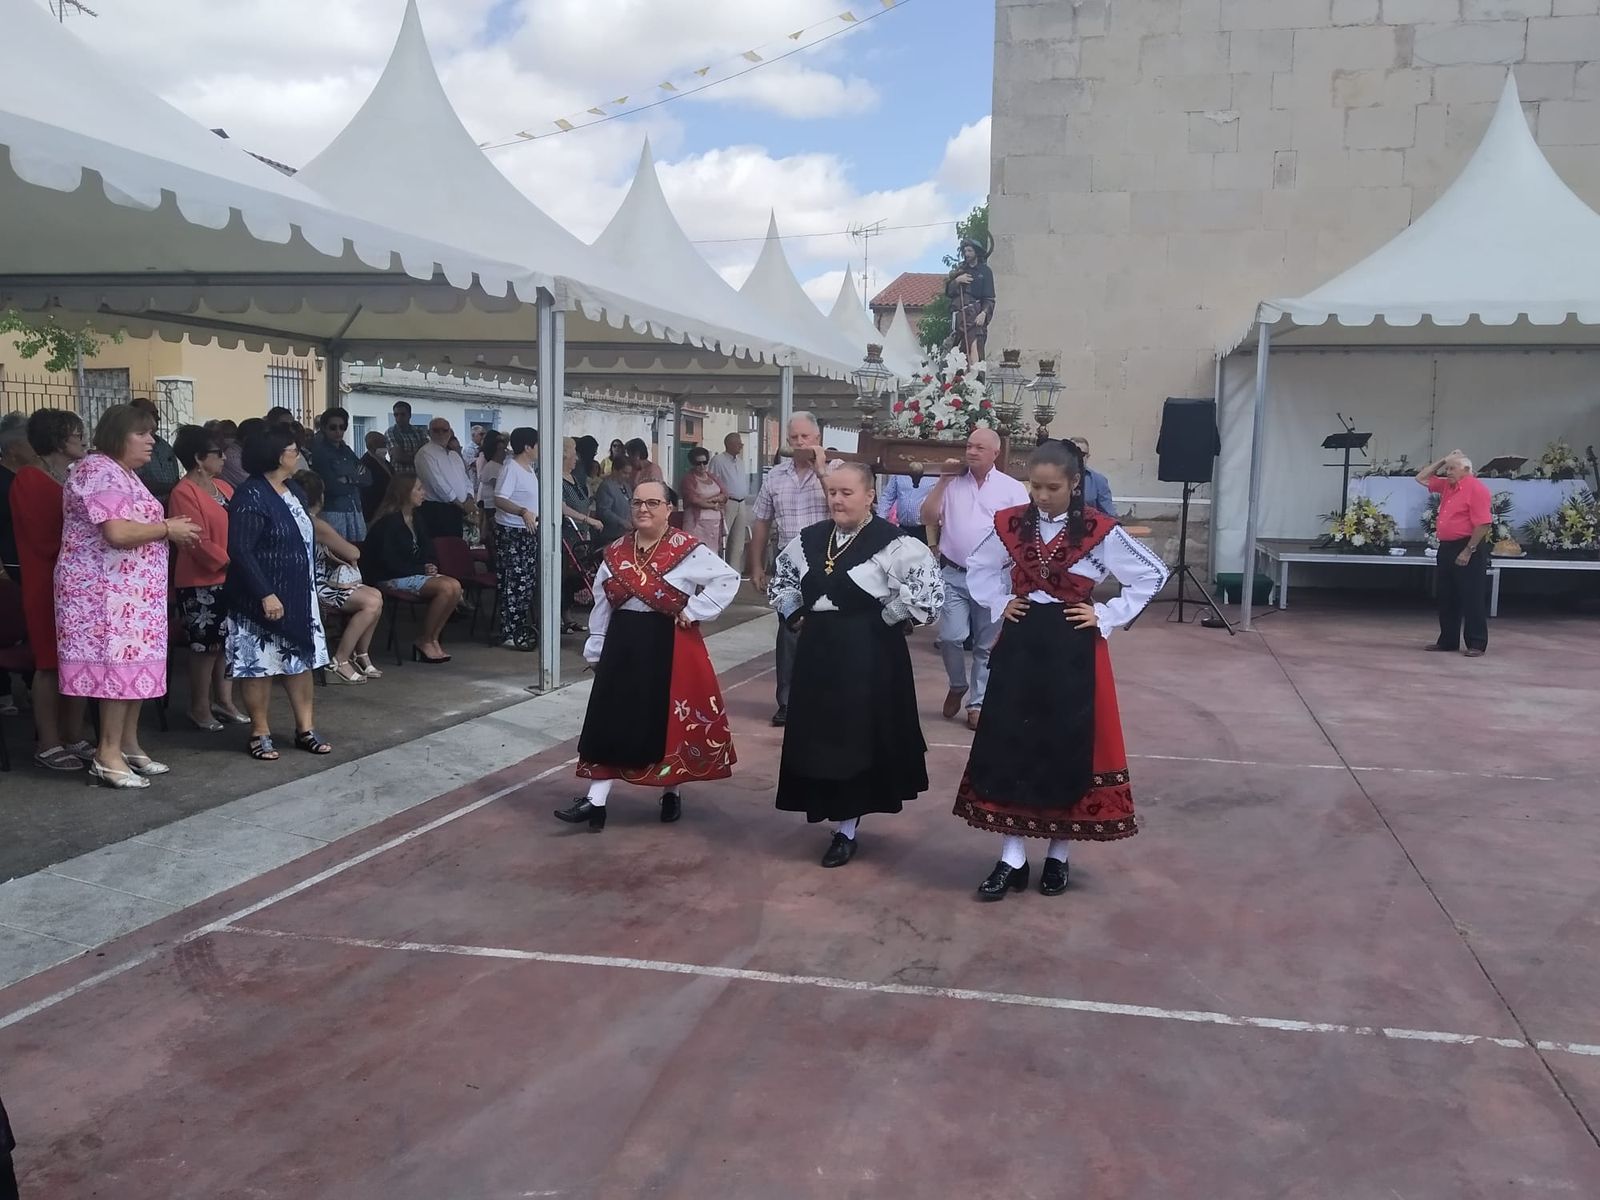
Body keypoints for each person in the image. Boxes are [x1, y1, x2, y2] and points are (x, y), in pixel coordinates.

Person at [952, 439, 1168, 900]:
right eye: (1035, 486)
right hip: (1023, 640)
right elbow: (980, 566)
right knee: (1015, 740)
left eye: (1053, 487)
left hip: (1073, 645)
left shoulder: (1099, 529)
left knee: (1066, 742)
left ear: (1075, 483)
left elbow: (1151, 573)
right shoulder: (1011, 524)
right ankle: (1011, 857)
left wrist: (1105, 615)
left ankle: (1058, 855)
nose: (1042, 495)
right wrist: (999, 602)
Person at [769, 462, 944, 867]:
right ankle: (827, 805)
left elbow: (927, 594)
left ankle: (847, 828)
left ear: (869, 496)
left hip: (869, 653)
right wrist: (794, 613)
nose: (837, 499)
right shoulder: (810, 539)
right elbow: (783, 580)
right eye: (832, 492)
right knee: (820, 731)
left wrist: (885, 618)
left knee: (855, 734)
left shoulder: (892, 542)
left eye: (847, 493)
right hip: (819, 651)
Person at [555, 480, 741, 831]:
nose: (643, 509)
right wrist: (596, 645)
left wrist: (696, 609)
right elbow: (602, 602)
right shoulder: (616, 551)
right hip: (623, 641)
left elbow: (727, 578)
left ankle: (671, 790)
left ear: (669, 508)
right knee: (610, 718)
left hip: (669, 642)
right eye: (638, 503)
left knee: (667, 718)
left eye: (653, 503)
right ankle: (596, 801)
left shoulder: (686, 548)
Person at [57, 404, 201, 789]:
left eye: (152, 432)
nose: (152, 440)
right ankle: (107, 754)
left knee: (135, 668)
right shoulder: (99, 470)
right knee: (116, 671)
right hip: (105, 596)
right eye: (142, 433)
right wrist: (167, 528)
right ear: (118, 435)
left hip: (132, 596)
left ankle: (127, 745)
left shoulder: (125, 474)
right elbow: (118, 533)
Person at [222, 428, 333, 761]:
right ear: (274, 455)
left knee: (299, 661)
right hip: (260, 598)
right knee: (259, 666)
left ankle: (305, 728)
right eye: (291, 449)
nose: (296, 454)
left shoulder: (293, 490)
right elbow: (241, 549)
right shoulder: (251, 494)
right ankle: (259, 731)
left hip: (298, 593)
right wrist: (266, 593)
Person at [919, 427, 1030, 731]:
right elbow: (926, 516)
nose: (972, 452)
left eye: (980, 447)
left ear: (996, 453)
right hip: (954, 572)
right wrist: (942, 480)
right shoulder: (952, 484)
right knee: (951, 637)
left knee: (985, 646)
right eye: (969, 446)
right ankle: (957, 684)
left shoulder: (1011, 488)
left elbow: (1025, 531)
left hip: (994, 578)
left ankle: (977, 703)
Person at [11, 409, 92, 769]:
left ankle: (73, 734)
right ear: (60, 440)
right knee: (48, 664)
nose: (83, 440)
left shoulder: (68, 475)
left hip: (75, 581)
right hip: (45, 581)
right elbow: (43, 540)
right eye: (77, 434)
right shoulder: (30, 478)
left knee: (78, 659)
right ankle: (48, 741)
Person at [749, 412, 830, 727]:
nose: (799, 443)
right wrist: (756, 565)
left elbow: (840, 507)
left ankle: (824, 699)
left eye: (805, 437)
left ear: (817, 437)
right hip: (787, 562)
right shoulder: (776, 476)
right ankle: (787, 701)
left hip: (827, 561)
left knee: (827, 627)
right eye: (794, 438)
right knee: (789, 630)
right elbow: (761, 522)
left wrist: (821, 471)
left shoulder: (836, 470)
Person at [168, 424, 245, 731]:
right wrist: (230, 562)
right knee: (205, 647)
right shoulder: (182, 492)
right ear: (199, 458)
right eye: (218, 453)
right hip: (201, 580)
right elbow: (194, 539)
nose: (224, 458)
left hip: (230, 576)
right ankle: (199, 706)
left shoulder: (224, 487)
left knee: (227, 643)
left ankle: (224, 701)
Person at [295, 472, 385, 683]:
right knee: (371, 602)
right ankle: (340, 660)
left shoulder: (295, 517)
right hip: (314, 584)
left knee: (376, 595)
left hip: (315, 579)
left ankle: (361, 654)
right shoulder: (316, 523)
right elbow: (353, 553)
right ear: (320, 497)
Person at [367, 472, 464, 663]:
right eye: (418, 489)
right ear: (404, 492)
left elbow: (427, 548)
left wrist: (429, 565)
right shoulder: (387, 523)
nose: (423, 493)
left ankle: (433, 637)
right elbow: (388, 560)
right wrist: (420, 569)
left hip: (414, 572)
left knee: (455, 586)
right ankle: (425, 639)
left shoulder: (417, 518)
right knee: (446, 587)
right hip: (391, 575)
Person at [1417, 449, 1493, 658]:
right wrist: (1444, 459)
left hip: (1467, 545)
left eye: (1452, 468)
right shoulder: (1448, 486)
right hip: (1447, 546)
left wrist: (1469, 550)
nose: (1447, 472)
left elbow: (1483, 523)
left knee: (1471, 596)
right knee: (1447, 595)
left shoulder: (1476, 489)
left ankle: (1476, 642)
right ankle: (1448, 640)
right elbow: (1421, 477)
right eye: (1447, 468)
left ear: (1466, 470)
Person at [491, 426, 541, 651]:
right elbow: (500, 498)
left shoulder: (530, 469)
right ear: (528, 446)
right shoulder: (511, 467)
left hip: (528, 531)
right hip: (512, 532)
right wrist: (522, 511)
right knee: (513, 582)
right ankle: (508, 631)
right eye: (537, 445)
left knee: (526, 584)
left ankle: (520, 627)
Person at [561, 436, 604, 635]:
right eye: (573, 453)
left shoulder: (574, 478)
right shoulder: (556, 478)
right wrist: (588, 520)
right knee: (564, 575)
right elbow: (561, 507)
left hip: (580, 533)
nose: (576, 458)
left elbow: (583, 502)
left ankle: (567, 617)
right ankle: (560, 617)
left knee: (576, 575)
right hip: (566, 534)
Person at [308, 407, 369, 544]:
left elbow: (368, 477)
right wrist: (355, 479)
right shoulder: (320, 452)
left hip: (354, 509)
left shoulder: (346, 450)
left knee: (358, 552)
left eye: (342, 427)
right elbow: (332, 486)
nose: (338, 432)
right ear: (324, 428)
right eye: (333, 427)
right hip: (334, 511)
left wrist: (347, 479)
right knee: (336, 554)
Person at [415, 416, 474, 540]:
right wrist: (462, 506)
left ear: (450, 432)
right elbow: (438, 485)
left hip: (460, 509)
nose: (441, 433)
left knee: (459, 546)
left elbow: (466, 479)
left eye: (444, 430)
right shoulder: (425, 453)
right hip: (439, 510)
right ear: (428, 433)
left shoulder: (454, 455)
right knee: (442, 550)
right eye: (436, 430)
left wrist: (469, 498)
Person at [708, 431, 751, 571]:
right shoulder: (718, 460)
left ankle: (735, 572)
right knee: (723, 539)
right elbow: (712, 481)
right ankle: (720, 570)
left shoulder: (740, 462)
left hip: (741, 503)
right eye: (738, 443)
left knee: (738, 542)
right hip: (727, 503)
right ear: (729, 444)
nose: (741, 445)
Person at [130, 396, 181, 505]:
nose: (158, 418)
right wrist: (174, 487)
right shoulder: (132, 447)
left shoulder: (163, 445)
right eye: (152, 414)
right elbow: (140, 483)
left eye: (157, 413)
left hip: (171, 505)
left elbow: (175, 476)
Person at [680, 446, 728, 550]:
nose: (702, 466)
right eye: (698, 463)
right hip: (696, 524)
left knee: (713, 552)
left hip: (714, 525)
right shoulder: (688, 479)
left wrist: (711, 500)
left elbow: (725, 494)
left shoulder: (712, 476)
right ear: (693, 463)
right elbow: (693, 499)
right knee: (695, 551)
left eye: (705, 462)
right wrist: (713, 505)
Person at [876, 473, 940, 543]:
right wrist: (880, 521)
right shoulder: (900, 474)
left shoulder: (935, 476)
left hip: (925, 531)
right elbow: (887, 497)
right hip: (903, 529)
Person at [475, 429, 506, 563]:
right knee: (493, 537)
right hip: (492, 506)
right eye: (502, 450)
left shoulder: (500, 466)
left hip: (496, 507)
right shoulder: (492, 467)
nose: (505, 452)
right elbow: (498, 489)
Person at [1071, 436, 1117, 517]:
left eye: (1081, 454)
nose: (1077, 457)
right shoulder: (1055, 478)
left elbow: (1108, 514)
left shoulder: (1099, 481)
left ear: (1087, 457)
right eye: (1073, 453)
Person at [593, 457, 635, 542]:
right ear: (615, 470)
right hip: (610, 536)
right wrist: (621, 522)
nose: (627, 476)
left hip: (626, 534)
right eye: (624, 473)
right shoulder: (606, 486)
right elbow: (603, 511)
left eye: (629, 473)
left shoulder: (626, 486)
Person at [221, 417, 264, 488]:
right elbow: (256, 485)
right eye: (263, 439)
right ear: (247, 439)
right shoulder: (232, 457)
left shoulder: (250, 453)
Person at [360, 430, 392, 522]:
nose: (385, 447)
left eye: (385, 443)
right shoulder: (364, 463)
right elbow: (365, 488)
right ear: (371, 446)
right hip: (373, 509)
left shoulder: (385, 462)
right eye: (381, 444)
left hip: (387, 507)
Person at [385, 400, 426, 474]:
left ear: (409, 415)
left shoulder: (419, 431)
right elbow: (399, 457)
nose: (399, 417)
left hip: (419, 477)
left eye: (403, 414)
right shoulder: (391, 432)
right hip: (400, 478)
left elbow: (426, 454)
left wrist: (407, 455)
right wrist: (418, 455)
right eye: (396, 415)